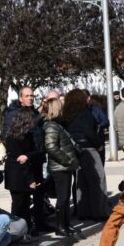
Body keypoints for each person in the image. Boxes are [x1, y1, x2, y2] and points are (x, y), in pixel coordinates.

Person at [63, 88, 109, 220]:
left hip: (75, 150)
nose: (88, 99)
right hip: (89, 149)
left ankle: (83, 211)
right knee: (98, 180)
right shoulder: (86, 113)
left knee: (81, 181)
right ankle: (99, 212)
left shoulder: (68, 114)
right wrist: (98, 144)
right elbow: (89, 132)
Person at [4, 107, 47, 235]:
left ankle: (25, 231)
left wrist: (28, 156)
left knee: (24, 205)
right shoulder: (16, 137)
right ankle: (17, 233)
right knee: (19, 206)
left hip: (19, 175)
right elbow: (21, 161)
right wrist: (30, 180)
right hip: (18, 176)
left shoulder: (24, 135)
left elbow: (29, 155)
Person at [42, 97, 80, 237]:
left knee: (65, 197)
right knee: (62, 198)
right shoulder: (51, 126)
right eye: (61, 106)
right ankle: (60, 226)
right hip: (60, 167)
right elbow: (51, 147)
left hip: (65, 166)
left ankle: (66, 224)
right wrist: (67, 160)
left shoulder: (58, 124)